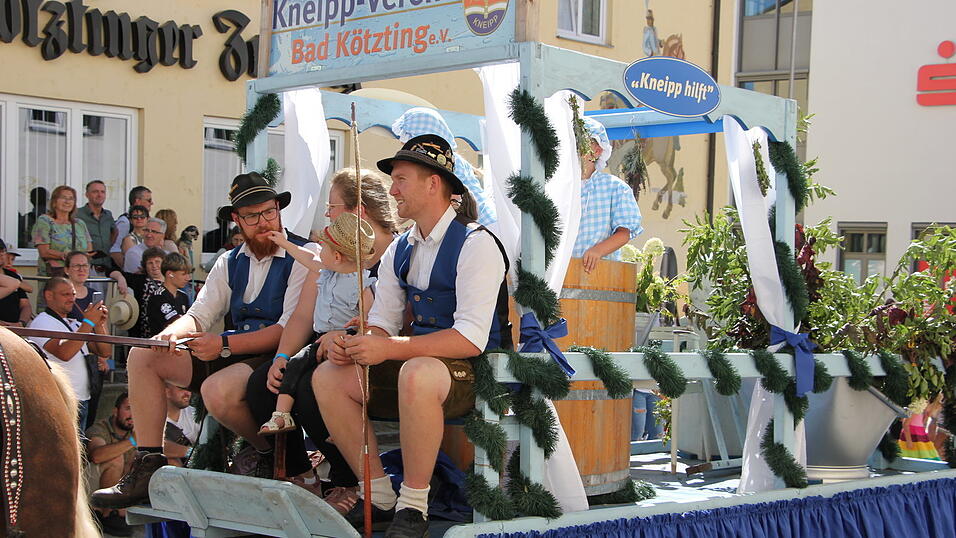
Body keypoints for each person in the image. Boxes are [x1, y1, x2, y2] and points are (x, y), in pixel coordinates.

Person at [315, 134, 511, 536]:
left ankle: (414, 505)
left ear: (433, 183)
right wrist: (356, 338)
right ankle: (381, 495)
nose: (392, 190)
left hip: (478, 371)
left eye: (401, 179)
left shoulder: (477, 244)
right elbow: (383, 320)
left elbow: (470, 339)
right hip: (418, 365)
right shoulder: (400, 247)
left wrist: (388, 346)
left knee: (417, 372)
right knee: (329, 377)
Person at [92, 172, 317, 510]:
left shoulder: (304, 253)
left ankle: (267, 455)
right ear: (236, 220)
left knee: (217, 391)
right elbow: (199, 313)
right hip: (235, 351)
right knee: (143, 355)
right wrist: (171, 333)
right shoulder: (229, 261)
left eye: (269, 212)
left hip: (282, 355)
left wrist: (223, 346)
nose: (264, 222)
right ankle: (149, 466)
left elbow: (287, 329)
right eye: (252, 216)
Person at [244, 168, 399, 514]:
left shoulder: (388, 258)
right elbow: (302, 315)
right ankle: (301, 474)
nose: (326, 215)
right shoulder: (332, 257)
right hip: (321, 345)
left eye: (332, 207)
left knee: (315, 386)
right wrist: (283, 356)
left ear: (357, 211)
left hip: (363, 350)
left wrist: (344, 336)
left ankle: (347, 479)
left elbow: (382, 319)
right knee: (262, 385)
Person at [259, 213, 376, 436]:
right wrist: (284, 243)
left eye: (323, 247)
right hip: (320, 338)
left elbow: (370, 316)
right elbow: (306, 257)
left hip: (344, 341)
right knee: (296, 365)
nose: (318, 251)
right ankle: (282, 414)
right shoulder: (327, 272)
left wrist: (360, 324)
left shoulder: (362, 284)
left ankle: (338, 424)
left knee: (327, 381)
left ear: (338, 256)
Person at [27, 276, 111, 427]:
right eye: (66, 294)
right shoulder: (41, 322)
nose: (72, 299)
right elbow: (64, 353)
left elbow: (104, 351)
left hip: (82, 398)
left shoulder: (75, 324)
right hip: (61, 399)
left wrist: (99, 325)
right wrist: (89, 322)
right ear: (49, 295)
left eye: (73, 294)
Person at [572, 117, 644, 273]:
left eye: (580, 143)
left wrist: (598, 250)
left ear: (597, 151)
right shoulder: (559, 187)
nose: (575, 148)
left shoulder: (615, 187)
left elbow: (623, 233)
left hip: (597, 272)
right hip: (561, 272)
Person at [85, 392, 136, 537]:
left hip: (114, 488)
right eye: (128, 408)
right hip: (88, 485)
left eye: (135, 409)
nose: (132, 415)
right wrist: (133, 442)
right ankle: (107, 514)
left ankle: (117, 511)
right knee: (116, 459)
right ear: (115, 411)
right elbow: (96, 456)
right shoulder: (99, 428)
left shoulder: (133, 431)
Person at [32, 185, 94, 277]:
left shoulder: (80, 224)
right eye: (63, 198)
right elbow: (44, 252)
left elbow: (89, 249)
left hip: (79, 275)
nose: (67, 201)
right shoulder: (45, 221)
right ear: (54, 201)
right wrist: (66, 256)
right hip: (54, 275)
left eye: (71, 199)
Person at [143, 253, 192, 338]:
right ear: (170, 274)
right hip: (161, 346)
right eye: (184, 274)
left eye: (188, 274)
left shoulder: (183, 296)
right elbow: (175, 323)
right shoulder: (158, 297)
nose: (188, 278)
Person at [75, 180, 117, 276]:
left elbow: (114, 231)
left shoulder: (108, 215)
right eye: (95, 192)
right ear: (86, 194)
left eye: (102, 192)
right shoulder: (77, 214)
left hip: (105, 267)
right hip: (85, 267)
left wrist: (108, 246)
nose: (99, 195)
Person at [111, 186, 154, 268]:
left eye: (142, 217)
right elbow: (115, 250)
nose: (151, 203)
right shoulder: (125, 222)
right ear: (137, 201)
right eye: (149, 200)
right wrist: (127, 270)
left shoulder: (149, 221)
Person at [163, 383, 200, 466]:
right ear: (166, 391)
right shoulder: (153, 418)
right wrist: (192, 453)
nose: (188, 393)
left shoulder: (196, 415)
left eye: (189, 389)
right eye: (182, 389)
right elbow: (156, 445)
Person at [0, 239, 32, 327]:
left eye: (2, 251)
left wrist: (21, 323)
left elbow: (25, 305)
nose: (9, 262)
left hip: (15, 330)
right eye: (8, 257)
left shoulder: (14, 276)